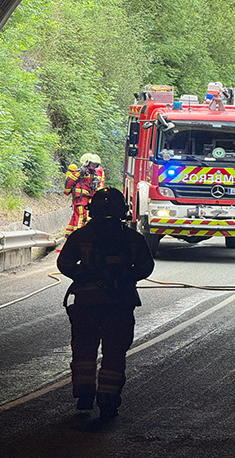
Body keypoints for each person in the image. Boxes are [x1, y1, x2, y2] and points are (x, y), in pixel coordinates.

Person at [58, 187, 155, 419]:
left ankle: (84, 396)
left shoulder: (81, 236)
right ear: (123, 211)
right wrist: (125, 277)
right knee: (114, 353)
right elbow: (146, 267)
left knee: (83, 351)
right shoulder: (132, 239)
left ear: (92, 211)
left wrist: (83, 275)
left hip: (87, 304)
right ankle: (108, 401)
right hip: (119, 304)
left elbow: (64, 263)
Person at [64, 153, 104, 236]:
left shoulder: (94, 174)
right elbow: (70, 181)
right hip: (81, 199)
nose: (94, 166)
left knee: (76, 216)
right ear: (88, 163)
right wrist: (67, 192)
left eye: (95, 164)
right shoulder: (80, 172)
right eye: (92, 164)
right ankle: (78, 236)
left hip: (85, 199)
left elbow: (97, 187)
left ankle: (70, 235)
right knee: (81, 218)